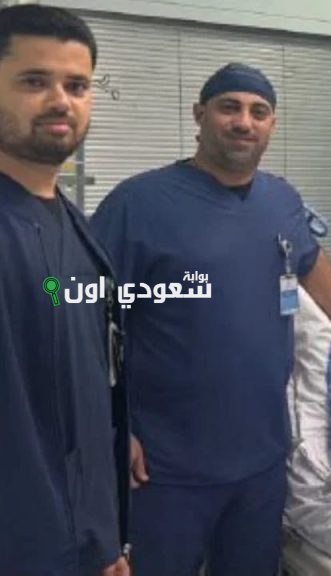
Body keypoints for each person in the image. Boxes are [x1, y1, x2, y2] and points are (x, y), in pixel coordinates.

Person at [89, 63, 331, 575]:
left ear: (272, 124)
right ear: (199, 115)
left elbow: (309, 258)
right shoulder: (138, 204)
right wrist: (112, 426)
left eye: (258, 112)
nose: (244, 122)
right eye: (230, 108)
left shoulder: (280, 199)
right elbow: (84, 316)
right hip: (162, 465)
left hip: (260, 460)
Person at [0, 5, 129, 575]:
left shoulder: (74, 229)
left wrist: (104, 542)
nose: (61, 101)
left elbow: (82, 402)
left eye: (76, 86)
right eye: (34, 82)